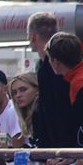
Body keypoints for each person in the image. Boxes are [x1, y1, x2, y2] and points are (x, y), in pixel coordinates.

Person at [27, 10, 75, 150]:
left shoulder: (50, 68)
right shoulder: (67, 60)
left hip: (63, 148)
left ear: (33, 36)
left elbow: (56, 111)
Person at [6, 75, 38, 146]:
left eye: (23, 90)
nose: (18, 95)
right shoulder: (24, 116)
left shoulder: (40, 113)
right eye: (14, 93)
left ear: (37, 89)